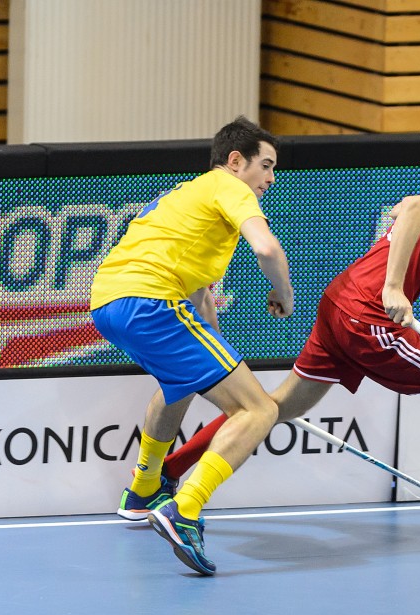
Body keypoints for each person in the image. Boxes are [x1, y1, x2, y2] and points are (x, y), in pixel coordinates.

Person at [162, 129, 420, 520]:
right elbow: (415, 209)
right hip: (370, 320)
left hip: (339, 303)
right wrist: (393, 287)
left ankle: (168, 471)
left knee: (270, 408)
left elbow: (406, 210)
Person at [90, 116, 294, 575]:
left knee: (178, 383)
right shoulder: (230, 187)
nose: (270, 178)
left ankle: (144, 490)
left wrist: (218, 348)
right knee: (259, 409)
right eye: (265, 165)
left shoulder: (187, 194)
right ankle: (184, 510)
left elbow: (200, 297)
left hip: (108, 303)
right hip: (150, 301)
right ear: (235, 161)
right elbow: (266, 248)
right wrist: (283, 292)